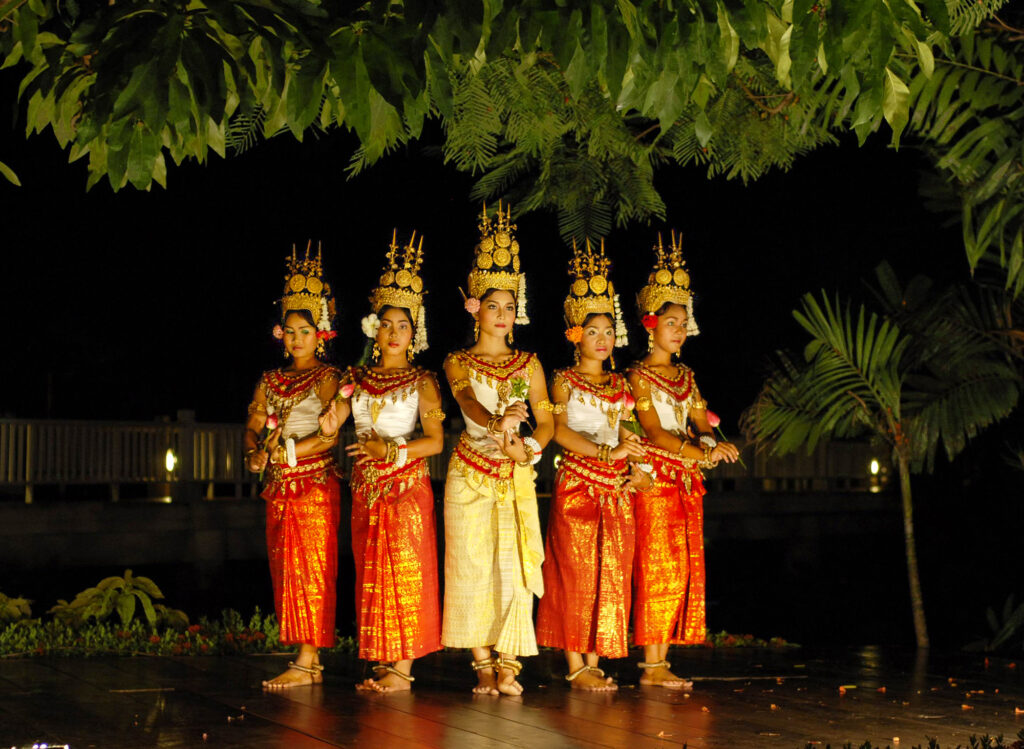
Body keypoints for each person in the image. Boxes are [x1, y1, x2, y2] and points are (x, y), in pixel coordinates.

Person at [319, 230, 445, 693]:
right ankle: (386, 660)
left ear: (415, 333)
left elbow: (434, 442)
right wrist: (333, 422)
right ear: (375, 328)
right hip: (366, 485)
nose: (394, 333)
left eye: (403, 326)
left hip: (406, 485)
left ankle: (403, 669)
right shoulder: (357, 377)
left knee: (406, 570)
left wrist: (389, 451)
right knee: (373, 569)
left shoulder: (423, 381)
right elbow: (336, 421)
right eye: (387, 324)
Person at [441, 203, 554, 696]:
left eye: (510, 307)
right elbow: (466, 400)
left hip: (513, 473)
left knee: (513, 568)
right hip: (468, 472)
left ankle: (510, 665)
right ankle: (482, 665)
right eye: (494, 306)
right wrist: (497, 423)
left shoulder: (529, 362)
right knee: (470, 567)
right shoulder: (457, 361)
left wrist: (524, 447)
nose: (503, 316)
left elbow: (547, 419)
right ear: (475, 309)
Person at [536, 238, 651, 691]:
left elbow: (627, 430)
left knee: (611, 573)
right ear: (574, 334)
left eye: (608, 332)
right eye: (593, 332)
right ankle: (575, 664)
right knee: (575, 571)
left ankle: (596, 656)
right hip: (578, 485)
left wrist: (636, 466)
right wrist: (607, 455)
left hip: (616, 487)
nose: (601, 340)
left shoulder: (619, 382)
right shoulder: (562, 381)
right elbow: (560, 433)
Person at [626, 231, 740, 689]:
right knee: (656, 566)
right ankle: (652, 665)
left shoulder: (686, 375)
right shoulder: (637, 375)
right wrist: (699, 452)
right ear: (651, 324)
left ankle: (660, 659)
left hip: (685, 480)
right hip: (655, 480)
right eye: (672, 322)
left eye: (683, 323)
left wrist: (713, 445)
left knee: (680, 568)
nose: (679, 330)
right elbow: (653, 432)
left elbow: (700, 421)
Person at [244, 243, 343, 689]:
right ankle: (306, 659)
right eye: (290, 331)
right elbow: (251, 426)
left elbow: (330, 434)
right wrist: (254, 452)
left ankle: (307, 658)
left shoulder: (327, 378)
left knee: (314, 568)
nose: (297, 338)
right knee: (285, 568)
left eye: (305, 330)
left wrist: (287, 452)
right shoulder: (270, 380)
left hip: (314, 484)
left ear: (319, 333)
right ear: (279, 334)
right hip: (279, 484)